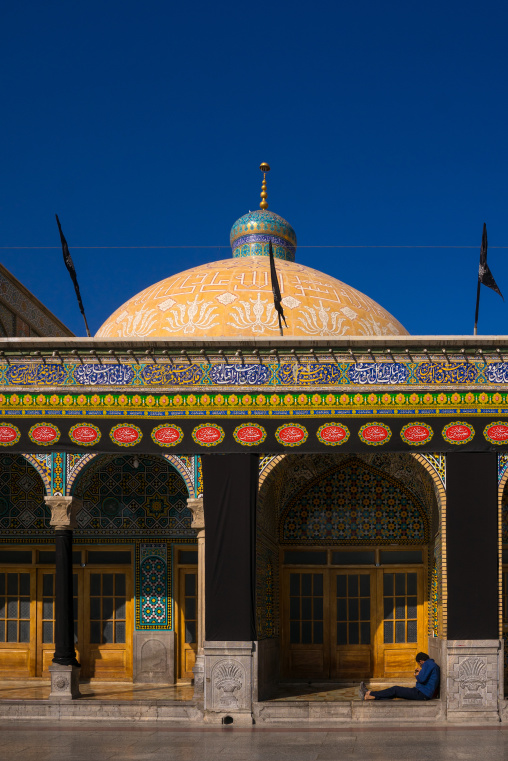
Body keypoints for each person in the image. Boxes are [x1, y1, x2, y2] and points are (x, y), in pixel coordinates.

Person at [360, 652, 440, 701]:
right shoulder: (431, 664)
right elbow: (427, 677)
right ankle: (370, 697)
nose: (420, 666)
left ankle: (369, 692)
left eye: (419, 664)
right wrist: (421, 672)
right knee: (395, 693)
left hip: (422, 693)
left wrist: (417, 675)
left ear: (421, 661)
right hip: (422, 693)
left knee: (395, 689)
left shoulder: (428, 664)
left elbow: (421, 679)